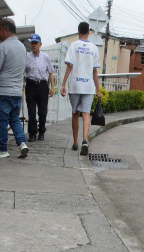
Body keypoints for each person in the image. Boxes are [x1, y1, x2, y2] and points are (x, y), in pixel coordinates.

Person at [0, 18, 28, 158]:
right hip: (16, 92)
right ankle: (22, 144)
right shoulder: (22, 47)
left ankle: (2, 150)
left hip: (3, 92)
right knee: (14, 119)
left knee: (2, 121)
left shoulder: (3, 47)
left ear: (6, 30)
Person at [60, 21, 101, 155]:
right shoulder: (94, 48)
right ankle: (85, 140)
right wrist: (98, 90)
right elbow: (95, 72)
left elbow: (69, 66)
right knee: (86, 114)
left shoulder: (73, 46)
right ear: (88, 32)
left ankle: (75, 143)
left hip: (75, 86)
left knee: (75, 114)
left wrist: (63, 84)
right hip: (88, 87)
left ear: (78, 31)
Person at [24, 34, 55, 142]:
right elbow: (23, 72)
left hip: (42, 85)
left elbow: (51, 73)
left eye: (35, 43)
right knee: (31, 112)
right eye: (32, 43)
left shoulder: (45, 57)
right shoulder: (27, 57)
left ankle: (41, 131)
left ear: (40, 44)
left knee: (42, 112)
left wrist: (52, 87)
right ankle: (32, 133)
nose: (33, 45)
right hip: (31, 85)